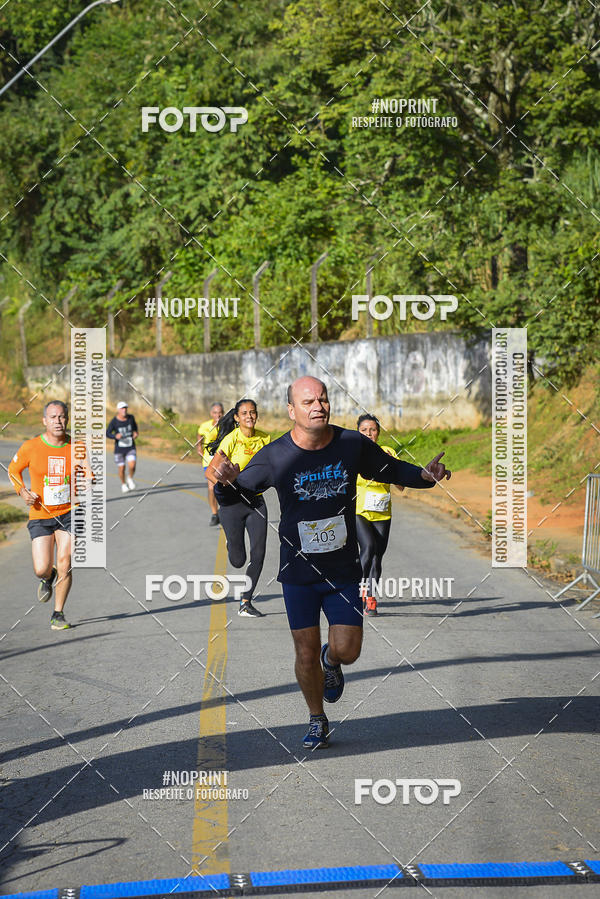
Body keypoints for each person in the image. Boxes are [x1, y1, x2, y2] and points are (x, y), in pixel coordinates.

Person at [207, 376, 451, 749]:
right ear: (292, 410)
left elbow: (388, 469)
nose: (318, 405)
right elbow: (243, 487)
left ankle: (331, 661)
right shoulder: (276, 455)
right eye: (308, 401)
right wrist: (225, 482)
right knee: (303, 651)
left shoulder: (350, 443)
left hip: (342, 571)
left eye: (322, 399)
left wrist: (424, 476)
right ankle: (317, 718)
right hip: (298, 572)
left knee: (348, 650)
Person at [8, 401, 79, 629]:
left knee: (65, 562)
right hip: (40, 515)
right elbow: (13, 470)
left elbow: (87, 471)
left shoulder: (76, 447)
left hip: (68, 513)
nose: (58, 421)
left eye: (62, 417)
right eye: (53, 417)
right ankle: (48, 576)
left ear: (67, 420)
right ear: (44, 421)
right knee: (41, 568)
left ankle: (58, 614)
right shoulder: (31, 447)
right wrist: (22, 491)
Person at [207, 399, 271, 617]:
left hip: (256, 502)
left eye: (253, 412)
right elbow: (209, 473)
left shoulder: (265, 439)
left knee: (259, 553)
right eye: (244, 413)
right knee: (237, 560)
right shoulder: (230, 439)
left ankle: (246, 601)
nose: (249, 416)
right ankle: (231, 541)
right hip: (232, 503)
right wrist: (225, 482)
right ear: (236, 417)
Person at [355, 413, 404, 617]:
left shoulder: (388, 452)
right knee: (368, 547)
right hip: (359, 511)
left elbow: (401, 486)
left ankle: (371, 598)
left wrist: (392, 467)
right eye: (364, 430)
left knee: (377, 558)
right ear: (358, 432)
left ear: (379, 433)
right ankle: (358, 592)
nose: (369, 434)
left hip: (382, 513)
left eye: (373, 430)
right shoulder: (352, 453)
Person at [197, 402, 224, 526]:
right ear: (211, 413)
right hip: (209, 460)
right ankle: (214, 513)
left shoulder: (227, 426)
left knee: (225, 487)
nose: (218, 415)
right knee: (211, 487)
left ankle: (225, 511)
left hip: (223, 461)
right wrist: (199, 447)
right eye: (215, 412)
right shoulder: (205, 425)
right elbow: (200, 434)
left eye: (220, 412)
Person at [106, 402, 138, 493]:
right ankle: (123, 484)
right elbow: (107, 433)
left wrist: (136, 433)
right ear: (118, 410)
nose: (124, 410)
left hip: (130, 446)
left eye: (125, 408)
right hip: (119, 449)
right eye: (122, 408)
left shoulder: (131, 418)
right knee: (122, 468)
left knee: (132, 465)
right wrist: (115, 436)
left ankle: (130, 478)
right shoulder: (114, 421)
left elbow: (135, 428)